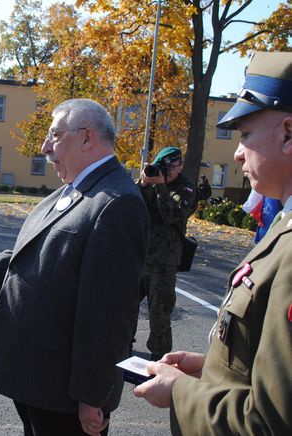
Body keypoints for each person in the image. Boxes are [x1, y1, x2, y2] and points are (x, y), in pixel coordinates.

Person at [0, 98, 149, 436]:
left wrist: (93, 396)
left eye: (55, 136)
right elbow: (24, 256)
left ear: (87, 138)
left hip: (66, 394)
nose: (45, 147)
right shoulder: (73, 191)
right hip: (38, 380)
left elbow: (109, 314)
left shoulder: (117, 203)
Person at [134, 51, 292, 435]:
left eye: (245, 134)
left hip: (166, 262)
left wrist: (180, 391)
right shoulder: (283, 227)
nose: (237, 152)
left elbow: (271, 422)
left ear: (288, 134)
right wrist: (212, 368)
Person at [131, 146, 197, 361]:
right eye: (164, 168)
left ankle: (160, 357)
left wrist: (160, 187)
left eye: (172, 168)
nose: (167, 172)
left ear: (180, 166)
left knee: (159, 312)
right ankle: (123, 344)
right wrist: (143, 184)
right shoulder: (151, 182)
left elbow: (172, 215)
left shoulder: (185, 188)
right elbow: (129, 204)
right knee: (125, 306)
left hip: (164, 261)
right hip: (139, 255)